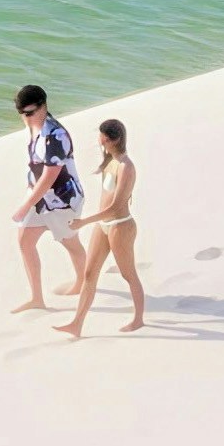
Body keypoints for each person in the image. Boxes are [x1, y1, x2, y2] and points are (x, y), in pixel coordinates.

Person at [10, 83, 86, 312]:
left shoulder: (56, 135)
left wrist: (25, 206)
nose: (25, 118)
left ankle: (82, 283)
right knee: (25, 241)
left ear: (43, 106)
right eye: (21, 113)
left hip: (62, 202)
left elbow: (50, 176)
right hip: (40, 199)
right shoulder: (33, 126)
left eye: (30, 113)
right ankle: (37, 298)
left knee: (71, 243)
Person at [66, 117, 144, 335]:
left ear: (115, 140)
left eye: (104, 139)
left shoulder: (126, 167)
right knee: (89, 274)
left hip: (121, 226)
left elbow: (116, 206)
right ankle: (76, 324)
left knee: (129, 275)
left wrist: (84, 222)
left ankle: (138, 319)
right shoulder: (109, 161)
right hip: (103, 225)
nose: (100, 142)